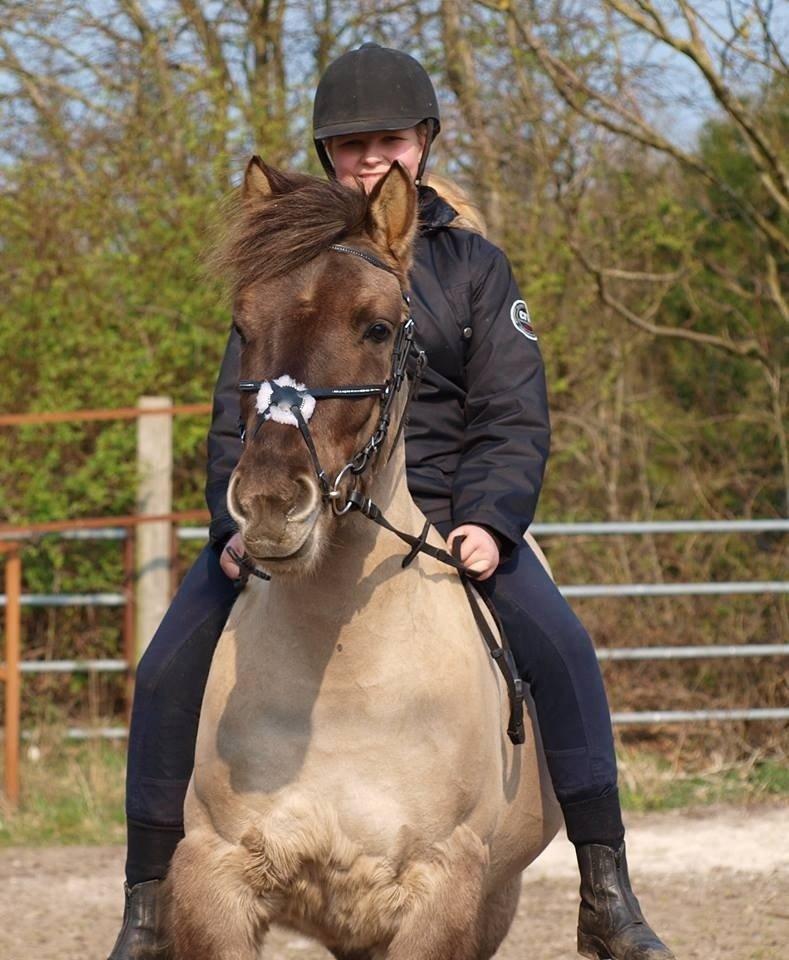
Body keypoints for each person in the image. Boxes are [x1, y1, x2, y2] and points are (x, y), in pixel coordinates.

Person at [108, 42, 674, 960]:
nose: (368, 159)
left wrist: (490, 520)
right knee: (167, 666)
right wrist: (230, 523)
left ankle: (607, 892)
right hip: (299, 499)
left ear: (423, 143)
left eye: (387, 141)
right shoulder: (291, 267)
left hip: (447, 509)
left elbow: (512, 414)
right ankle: (143, 904)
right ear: (326, 153)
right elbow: (242, 409)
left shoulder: (472, 269)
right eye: (347, 144)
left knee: (564, 650)